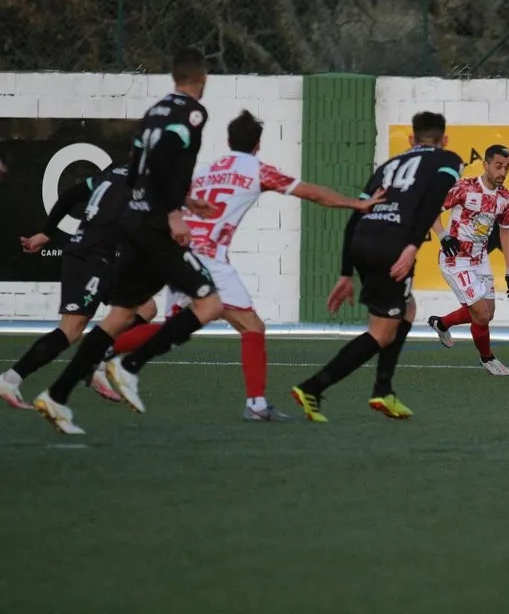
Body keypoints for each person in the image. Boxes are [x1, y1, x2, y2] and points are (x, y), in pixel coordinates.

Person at [107, 110, 386, 421]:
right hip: (208, 258)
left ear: (229, 141)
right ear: (258, 145)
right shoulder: (257, 170)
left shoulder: (206, 171)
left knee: (177, 328)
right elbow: (314, 194)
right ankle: (256, 404)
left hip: (180, 251)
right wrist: (357, 203)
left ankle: (105, 348)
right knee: (252, 327)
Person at [33, 47, 222, 435]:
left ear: (174, 76)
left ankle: (57, 395)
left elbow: (138, 167)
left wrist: (182, 201)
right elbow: (165, 154)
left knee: (120, 315)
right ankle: (130, 365)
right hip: (155, 227)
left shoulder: (154, 112)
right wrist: (173, 212)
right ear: (202, 80)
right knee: (209, 303)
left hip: (135, 222)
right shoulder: (193, 112)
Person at [291, 111, 464, 422]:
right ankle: (313, 387)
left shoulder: (388, 166)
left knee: (407, 308)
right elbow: (433, 203)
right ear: (445, 139)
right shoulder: (448, 159)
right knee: (381, 333)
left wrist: (346, 272)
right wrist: (412, 246)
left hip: (362, 240)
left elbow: (357, 212)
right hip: (393, 245)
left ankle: (383, 389)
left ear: (411, 139)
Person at [0, 164, 158, 410]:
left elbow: (71, 195)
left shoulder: (114, 173)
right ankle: (10, 380)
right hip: (89, 257)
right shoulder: (147, 183)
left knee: (146, 308)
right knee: (71, 329)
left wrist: (47, 232)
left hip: (103, 257)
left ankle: (95, 363)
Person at [426, 144, 509, 375]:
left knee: (487, 313)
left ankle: (441, 323)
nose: (503, 172)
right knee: (481, 315)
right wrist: (444, 236)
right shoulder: (465, 188)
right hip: (455, 261)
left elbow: (506, 232)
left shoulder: (504, 197)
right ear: (485, 165)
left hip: (480, 261)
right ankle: (487, 359)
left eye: (507, 167)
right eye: (498, 166)